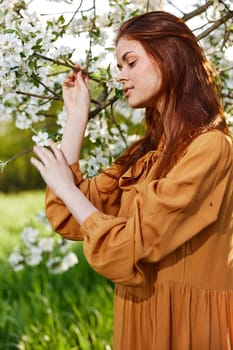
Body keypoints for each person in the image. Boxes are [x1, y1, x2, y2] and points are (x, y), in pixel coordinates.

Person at [31, 11, 233, 350]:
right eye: (119, 66)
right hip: (140, 320)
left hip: (190, 328)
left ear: (169, 57)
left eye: (130, 62)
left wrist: (65, 186)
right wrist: (76, 118)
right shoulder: (144, 153)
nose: (120, 77)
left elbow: (127, 248)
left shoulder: (211, 148)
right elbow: (67, 216)